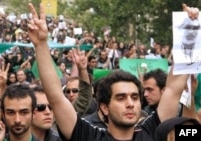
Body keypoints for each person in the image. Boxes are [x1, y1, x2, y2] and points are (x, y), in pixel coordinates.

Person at [27, 2, 197, 141]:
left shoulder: (151, 132)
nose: (130, 103)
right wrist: (41, 44)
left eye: (135, 97)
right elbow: (56, 96)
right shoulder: (89, 136)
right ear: (104, 107)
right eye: (121, 97)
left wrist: (190, 28)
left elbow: (174, 89)